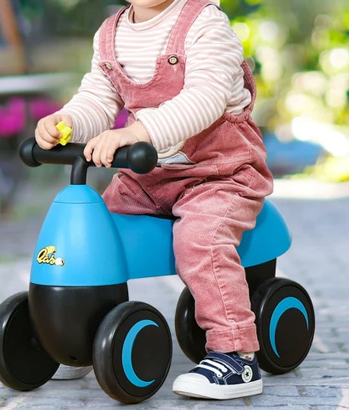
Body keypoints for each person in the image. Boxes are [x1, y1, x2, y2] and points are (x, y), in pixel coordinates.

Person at [35, 0, 273, 400]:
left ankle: (236, 354)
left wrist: (138, 132)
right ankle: (80, 337)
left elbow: (206, 98)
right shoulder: (111, 34)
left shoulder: (205, 24)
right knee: (97, 235)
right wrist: (69, 122)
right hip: (148, 176)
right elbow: (98, 99)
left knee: (200, 240)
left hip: (219, 174)